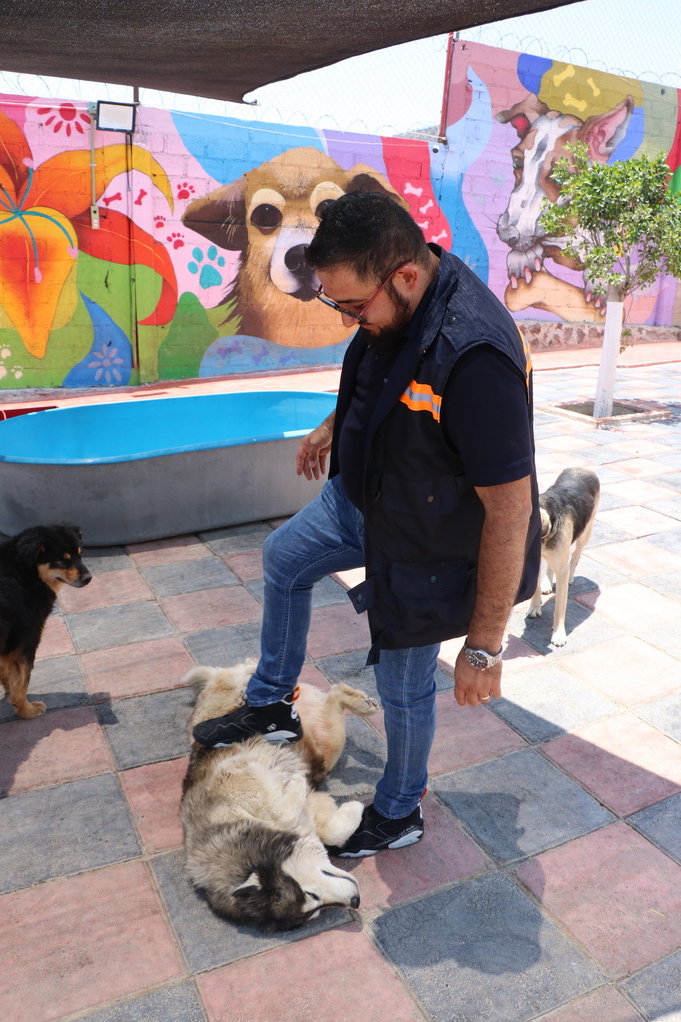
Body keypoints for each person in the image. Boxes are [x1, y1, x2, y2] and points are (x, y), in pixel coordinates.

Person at [193, 191, 541, 857]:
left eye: (353, 306)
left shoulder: (474, 360)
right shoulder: (396, 295)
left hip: (422, 542)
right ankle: (272, 703)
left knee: (403, 687)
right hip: (358, 501)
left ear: (404, 276)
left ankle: (400, 809)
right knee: (283, 558)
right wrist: (334, 426)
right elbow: (380, 370)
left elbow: (511, 509)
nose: (350, 318)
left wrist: (482, 648)